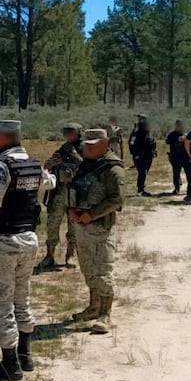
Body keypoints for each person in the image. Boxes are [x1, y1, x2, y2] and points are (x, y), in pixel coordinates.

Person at [0, 121, 55, 381]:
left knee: (0, 303)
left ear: (5, 138)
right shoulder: (32, 163)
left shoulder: (1, 167)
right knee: (21, 297)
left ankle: (9, 364)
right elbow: (49, 181)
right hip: (28, 239)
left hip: (4, 243)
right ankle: (25, 357)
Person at [66, 129, 125, 335]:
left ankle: (105, 314)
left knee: (103, 270)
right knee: (87, 267)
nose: (87, 147)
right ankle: (93, 307)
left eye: (93, 144)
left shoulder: (112, 168)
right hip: (81, 224)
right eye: (86, 144)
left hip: (100, 226)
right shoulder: (86, 164)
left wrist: (92, 214)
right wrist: (72, 209)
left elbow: (117, 199)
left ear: (105, 144)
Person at [39, 123, 83, 270]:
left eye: (70, 132)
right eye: (65, 132)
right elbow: (46, 167)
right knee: (52, 225)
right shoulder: (63, 149)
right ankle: (49, 255)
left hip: (76, 195)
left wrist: (74, 158)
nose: (67, 135)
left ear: (78, 133)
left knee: (74, 226)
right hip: (59, 193)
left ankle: (70, 255)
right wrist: (51, 164)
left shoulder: (84, 149)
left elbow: (87, 168)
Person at [128, 116, 157, 196]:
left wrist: (154, 150)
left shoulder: (149, 133)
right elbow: (131, 144)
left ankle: (142, 189)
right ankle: (140, 190)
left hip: (148, 155)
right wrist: (135, 154)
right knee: (142, 172)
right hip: (139, 156)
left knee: (144, 172)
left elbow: (152, 141)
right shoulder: (136, 133)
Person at [165, 120, 189, 195]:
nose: (179, 127)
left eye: (181, 125)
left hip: (186, 157)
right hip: (175, 157)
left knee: (189, 173)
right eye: (178, 125)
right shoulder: (172, 134)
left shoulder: (186, 134)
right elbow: (167, 141)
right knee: (176, 174)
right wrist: (176, 139)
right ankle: (177, 188)